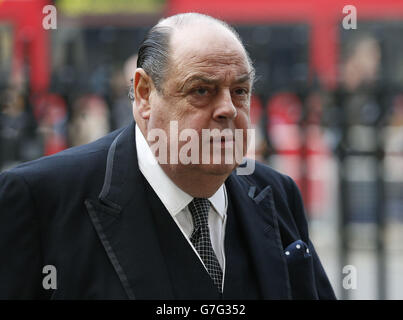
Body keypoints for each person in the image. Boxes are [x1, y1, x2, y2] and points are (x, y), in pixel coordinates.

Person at [0, 13, 336, 300]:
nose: (228, 109)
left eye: (240, 91)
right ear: (144, 94)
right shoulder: (39, 199)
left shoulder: (276, 193)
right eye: (201, 90)